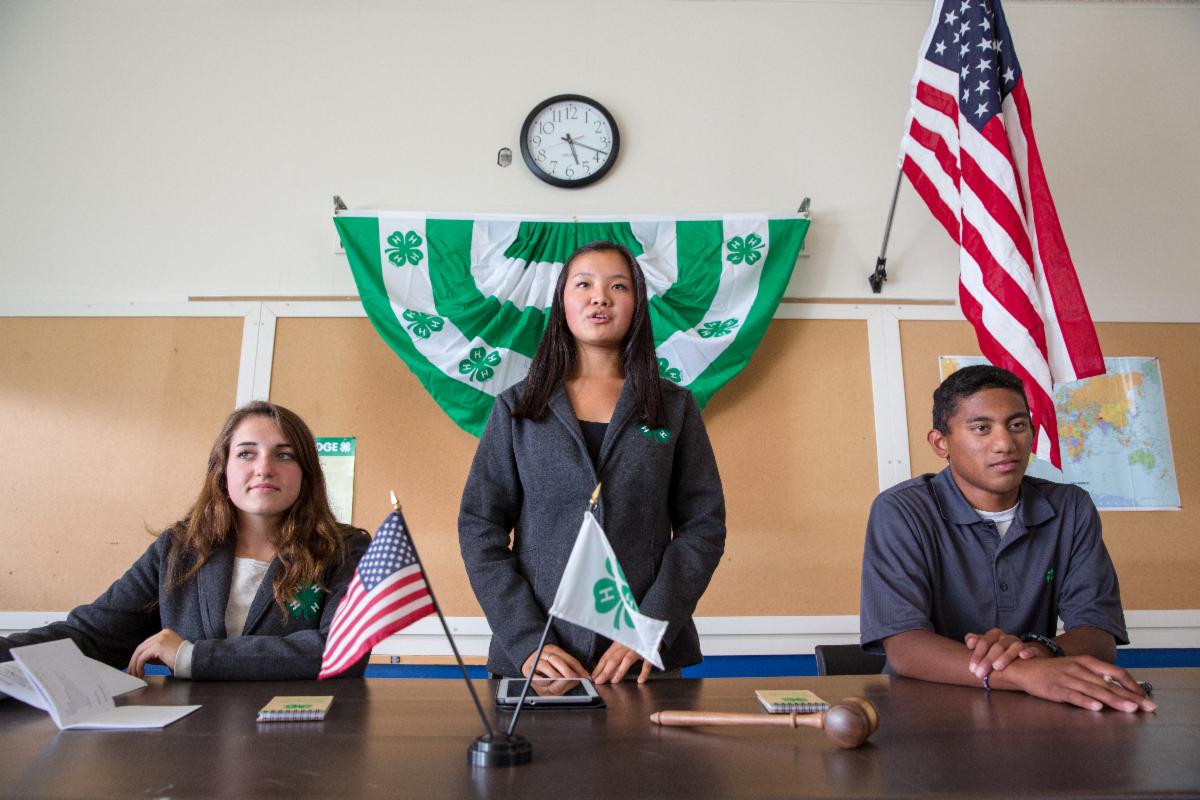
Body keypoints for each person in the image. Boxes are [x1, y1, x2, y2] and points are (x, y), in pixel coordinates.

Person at [459, 240, 726, 684]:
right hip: (540, 664)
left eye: (618, 286)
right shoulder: (517, 408)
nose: (600, 297)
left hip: (642, 665)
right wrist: (526, 640)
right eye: (583, 285)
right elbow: (479, 528)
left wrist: (650, 629)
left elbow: (704, 526)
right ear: (562, 301)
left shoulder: (674, 407)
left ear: (637, 304)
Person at [0, 401, 371, 680]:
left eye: (284, 455)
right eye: (246, 453)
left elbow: (343, 652)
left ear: (306, 474)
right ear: (222, 471)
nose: (264, 467)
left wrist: (192, 656)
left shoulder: (344, 549)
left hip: (300, 738)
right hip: (192, 741)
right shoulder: (179, 549)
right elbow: (91, 636)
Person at [860, 365, 1155, 712]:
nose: (1005, 444)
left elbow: (1098, 632)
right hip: (925, 709)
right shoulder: (901, 510)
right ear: (941, 443)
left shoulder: (1070, 507)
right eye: (981, 428)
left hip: (1035, 706)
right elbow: (904, 647)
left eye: (1017, 425)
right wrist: (1023, 673)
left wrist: (1037, 654)